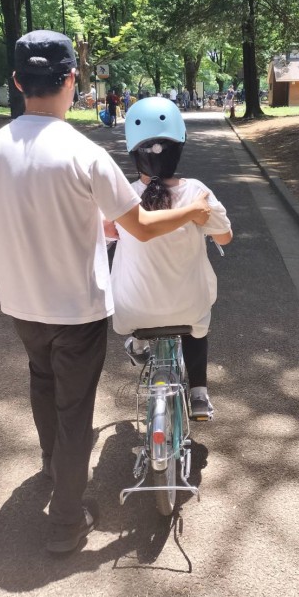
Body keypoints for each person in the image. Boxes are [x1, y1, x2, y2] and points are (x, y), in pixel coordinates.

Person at [0, 30, 212, 553]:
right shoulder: (84, 155)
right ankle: (66, 518)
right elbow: (144, 227)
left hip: (20, 300)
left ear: (18, 82)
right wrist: (195, 212)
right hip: (75, 305)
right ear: (72, 79)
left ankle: (51, 464)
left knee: (41, 380)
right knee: (74, 408)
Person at [110, 97, 233, 421]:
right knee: (196, 326)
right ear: (179, 145)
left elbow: (107, 233)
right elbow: (225, 238)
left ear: (133, 150)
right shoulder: (196, 192)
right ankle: (200, 394)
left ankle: (138, 344)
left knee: (139, 294)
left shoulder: (123, 195)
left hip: (132, 309)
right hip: (188, 305)